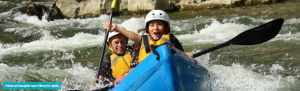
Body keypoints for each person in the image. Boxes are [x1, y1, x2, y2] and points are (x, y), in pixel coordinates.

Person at [105, 10, 194, 65]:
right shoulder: (143, 40)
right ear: (148, 28)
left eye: (159, 24)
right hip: (147, 71)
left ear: (166, 27)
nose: (155, 28)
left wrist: (188, 55)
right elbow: (133, 36)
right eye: (152, 25)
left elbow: (182, 56)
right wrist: (116, 28)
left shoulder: (171, 39)